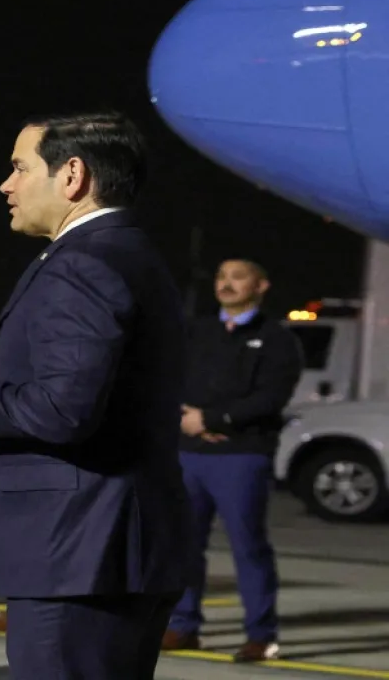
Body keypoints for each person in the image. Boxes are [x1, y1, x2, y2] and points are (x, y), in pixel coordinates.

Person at [0, 111, 191, 679]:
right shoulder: (127, 253)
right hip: (109, 551)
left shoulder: (82, 264)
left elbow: (63, 410)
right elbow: (102, 407)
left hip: (79, 556)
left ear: (73, 175)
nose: (6, 185)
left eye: (19, 167)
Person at [162, 258, 302, 661]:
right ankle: (182, 626)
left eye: (238, 277)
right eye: (222, 276)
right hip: (189, 454)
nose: (226, 283)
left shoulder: (276, 339)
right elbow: (167, 378)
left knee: (248, 546)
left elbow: (271, 397)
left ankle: (261, 635)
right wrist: (183, 418)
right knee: (183, 545)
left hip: (241, 456)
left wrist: (210, 419)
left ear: (261, 286)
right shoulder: (197, 330)